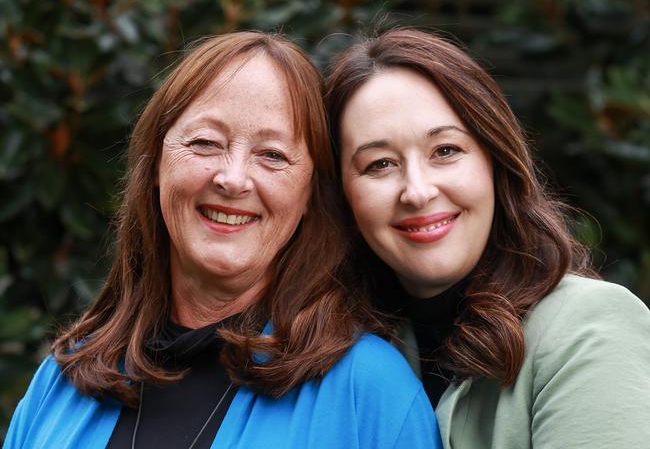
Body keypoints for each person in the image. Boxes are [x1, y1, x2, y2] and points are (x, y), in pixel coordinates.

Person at [4, 32, 442, 449]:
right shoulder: (63, 379)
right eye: (205, 142)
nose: (233, 179)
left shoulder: (369, 391)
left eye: (272, 155)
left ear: (311, 192)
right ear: (155, 165)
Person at [325, 27, 650, 448]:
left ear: (495, 161)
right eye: (380, 164)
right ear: (342, 195)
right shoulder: (345, 349)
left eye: (445, 151)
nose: (418, 191)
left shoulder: (587, 327)